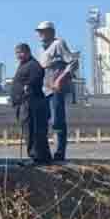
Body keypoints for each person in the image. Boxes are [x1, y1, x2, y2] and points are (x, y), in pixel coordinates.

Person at [35, 21, 78, 163]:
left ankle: (59, 153)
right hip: (44, 90)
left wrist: (60, 79)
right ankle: (45, 153)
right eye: (39, 31)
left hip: (55, 89)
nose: (40, 34)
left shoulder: (58, 44)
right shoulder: (41, 49)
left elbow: (73, 62)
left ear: (51, 32)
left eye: (43, 31)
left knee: (57, 121)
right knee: (44, 122)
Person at [11, 43, 50, 164]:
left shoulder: (33, 65)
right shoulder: (23, 65)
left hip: (31, 102)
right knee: (29, 130)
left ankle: (36, 156)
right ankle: (41, 156)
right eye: (17, 53)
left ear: (27, 52)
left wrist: (28, 86)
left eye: (20, 52)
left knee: (33, 130)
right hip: (24, 102)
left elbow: (37, 77)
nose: (18, 55)